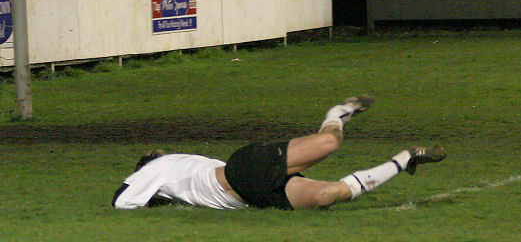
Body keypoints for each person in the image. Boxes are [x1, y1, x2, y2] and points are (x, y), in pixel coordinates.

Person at [112, 95, 446, 210]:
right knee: (328, 196)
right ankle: (406, 159)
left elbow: (121, 199)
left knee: (329, 143)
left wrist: (151, 197)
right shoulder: (176, 167)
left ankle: (339, 111)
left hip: (246, 170)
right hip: (253, 194)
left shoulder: (157, 168)